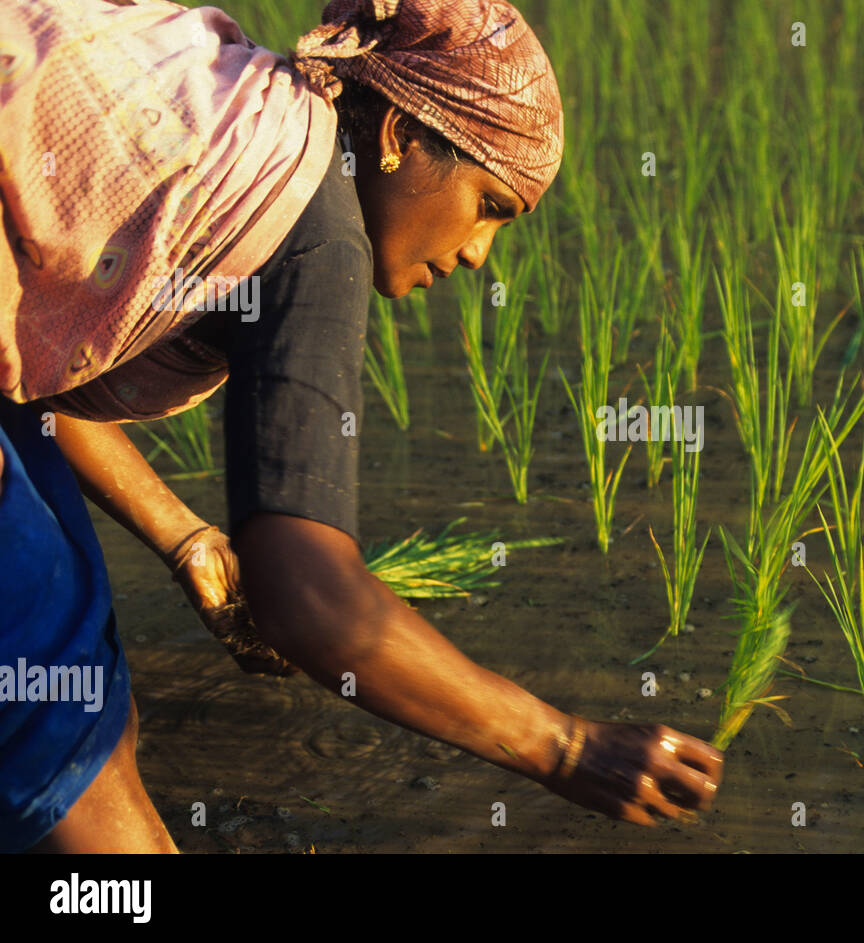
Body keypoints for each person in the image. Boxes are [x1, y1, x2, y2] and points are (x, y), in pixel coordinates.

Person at [0, 0, 721, 853]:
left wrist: (187, 535)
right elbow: (307, 595)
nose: (478, 254)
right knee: (71, 743)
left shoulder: (239, 124)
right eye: (489, 203)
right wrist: (565, 746)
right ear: (397, 137)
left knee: (77, 706)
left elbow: (24, 373)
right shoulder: (314, 220)